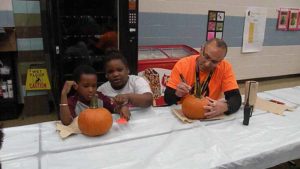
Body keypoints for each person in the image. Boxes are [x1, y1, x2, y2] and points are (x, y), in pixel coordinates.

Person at [164, 38, 241, 118]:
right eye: (206, 57)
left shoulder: (224, 67)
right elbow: (168, 99)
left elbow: (236, 98)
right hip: (187, 113)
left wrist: (225, 107)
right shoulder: (183, 65)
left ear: (220, 61)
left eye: (214, 62)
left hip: (210, 114)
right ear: (201, 50)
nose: (207, 64)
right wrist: (177, 93)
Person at [60, 65, 130, 125]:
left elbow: (114, 107)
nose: (91, 90)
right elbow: (67, 122)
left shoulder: (100, 97)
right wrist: (63, 94)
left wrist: (122, 107)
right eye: (86, 86)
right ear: (76, 86)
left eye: (94, 86)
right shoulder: (72, 102)